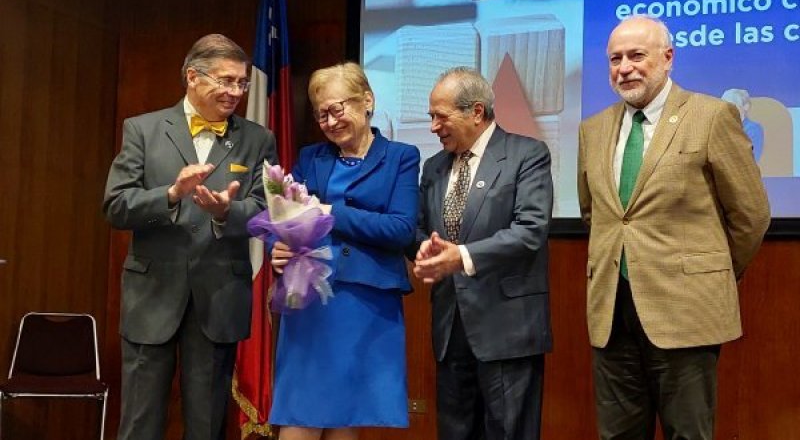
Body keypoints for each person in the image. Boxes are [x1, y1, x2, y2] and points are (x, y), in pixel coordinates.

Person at [577, 16, 770, 439]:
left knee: (688, 433)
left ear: (668, 58)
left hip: (686, 310)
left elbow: (750, 214)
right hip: (612, 314)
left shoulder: (712, 116)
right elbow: (596, 215)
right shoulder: (592, 129)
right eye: (615, 59)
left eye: (635, 56)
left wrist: (710, 270)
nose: (624, 67)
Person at [103, 34, 278, 440]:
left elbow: (269, 210)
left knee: (207, 425)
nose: (236, 92)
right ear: (192, 77)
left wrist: (225, 212)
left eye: (242, 82)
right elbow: (115, 205)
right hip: (152, 296)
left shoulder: (258, 140)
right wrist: (169, 194)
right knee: (140, 423)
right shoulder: (143, 130)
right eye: (226, 80)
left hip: (218, 298)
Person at [267, 62, 420, 440]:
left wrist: (332, 211)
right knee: (299, 413)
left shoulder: (401, 156)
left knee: (346, 414)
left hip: (365, 303)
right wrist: (277, 250)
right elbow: (286, 218)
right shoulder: (310, 158)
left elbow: (400, 229)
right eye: (322, 114)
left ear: (367, 100)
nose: (331, 121)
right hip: (311, 302)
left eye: (338, 109)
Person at [412, 67, 553, 440]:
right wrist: (424, 246)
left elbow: (530, 231)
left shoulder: (527, 154)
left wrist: (461, 257)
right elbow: (419, 228)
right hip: (449, 327)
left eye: (441, 116)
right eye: (431, 116)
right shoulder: (434, 167)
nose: (433, 126)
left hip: (506, 326)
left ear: (476, 112)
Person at [721, 88, 765, 161]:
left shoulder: (753, 129)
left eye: (733, 105)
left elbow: (750, 160)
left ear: (746, 107)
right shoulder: (721, 128)